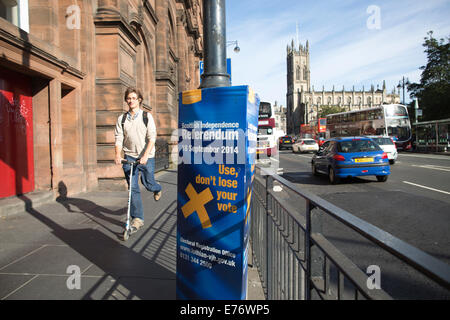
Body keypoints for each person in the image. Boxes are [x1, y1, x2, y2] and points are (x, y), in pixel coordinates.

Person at [114, 87, 162, 232]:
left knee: (148, 183)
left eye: (134, 98)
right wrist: (117, 155)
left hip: (147, 156)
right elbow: (118, 138)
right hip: (129, 157)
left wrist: (146, 155)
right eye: (129, 98)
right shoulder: (122, 119)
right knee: (133, 189)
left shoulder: (146, 116)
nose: (131, 101)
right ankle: (137, 219)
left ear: (139, 100)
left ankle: (157, 188)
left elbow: (152, 137)